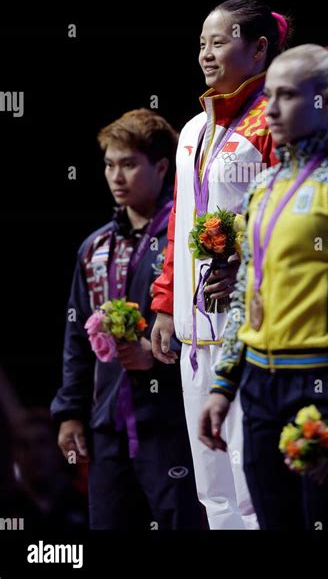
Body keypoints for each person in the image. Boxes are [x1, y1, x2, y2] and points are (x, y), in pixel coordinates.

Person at [199, 42, 328, 530]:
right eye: (267, 95)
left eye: (285, 96)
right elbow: (250, 285)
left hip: (327, 385)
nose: (269, 109)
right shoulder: (263, 187)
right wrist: (224, 383)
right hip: (262, 387)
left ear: (325, 101)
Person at [150, 0, 291, 529]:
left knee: (252, 477)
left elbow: (292, 225)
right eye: (202, 44)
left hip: (249, 331)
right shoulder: (191, 132)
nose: (207, 54)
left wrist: (249, 265)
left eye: (220, 41)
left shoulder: (271, 126)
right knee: (212, 488)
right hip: (193, 334)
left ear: (259, 49)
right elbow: (177, 225)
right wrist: (165, 306)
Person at [51, 108, 201, 530]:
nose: (117, 176)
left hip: (171, 423)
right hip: (108, 427)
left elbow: (209, 326)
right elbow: (75, 340)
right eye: (109, 164)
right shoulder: (93, 248)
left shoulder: (187, 240)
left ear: (160, 167)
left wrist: (156, 356)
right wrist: (69, 412)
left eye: (129, 164)